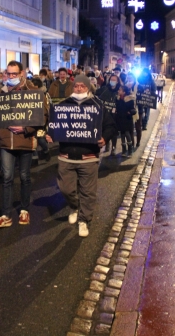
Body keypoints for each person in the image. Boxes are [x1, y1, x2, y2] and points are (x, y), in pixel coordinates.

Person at [46, 75, 117, 237]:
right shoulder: (63, 106)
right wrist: (50, 134)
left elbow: (110, 126)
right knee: (66, 188)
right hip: (66, 155)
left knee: (88, 192)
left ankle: (84, 220)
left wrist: (104, 137)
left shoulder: (98, 106)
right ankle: (74, 206)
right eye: (76, 86)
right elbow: (54, 124)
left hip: (89, 156)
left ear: (88, 88)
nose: (78, 89)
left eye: (82, 86)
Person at [0, 60, 49, 228]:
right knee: (7, 178)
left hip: (25, 140)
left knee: (24, 176)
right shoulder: (1, 92)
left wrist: (25, 128)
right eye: (8, 74)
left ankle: (24, 210)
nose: (11, 77)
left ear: (22, 73)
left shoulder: (33, 92)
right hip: (6, 142)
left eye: (14, 74)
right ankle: (6, 214)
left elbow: (42, 116)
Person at [97, 74, 121, 155]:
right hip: (105, 114)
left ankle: (113, 147)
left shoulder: (119, 91)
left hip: (115, 115)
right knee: (105, 129)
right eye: (111, 80)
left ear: (117, 82)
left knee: (114, 131)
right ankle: (106, 143)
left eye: (114, 80)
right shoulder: (105, 89)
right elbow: (97, 94)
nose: (112, 81)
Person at [115, 84, 136, 157]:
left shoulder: (129, 100)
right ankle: (124, 149)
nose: (118, 91)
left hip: (127, 119)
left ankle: (130, 149)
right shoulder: (118, 99)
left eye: (120, 90)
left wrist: (130, 112)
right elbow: (116, 107)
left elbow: (133, 109)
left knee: (127, 133)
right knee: (122, 134)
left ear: (124, 92)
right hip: (120, 118)